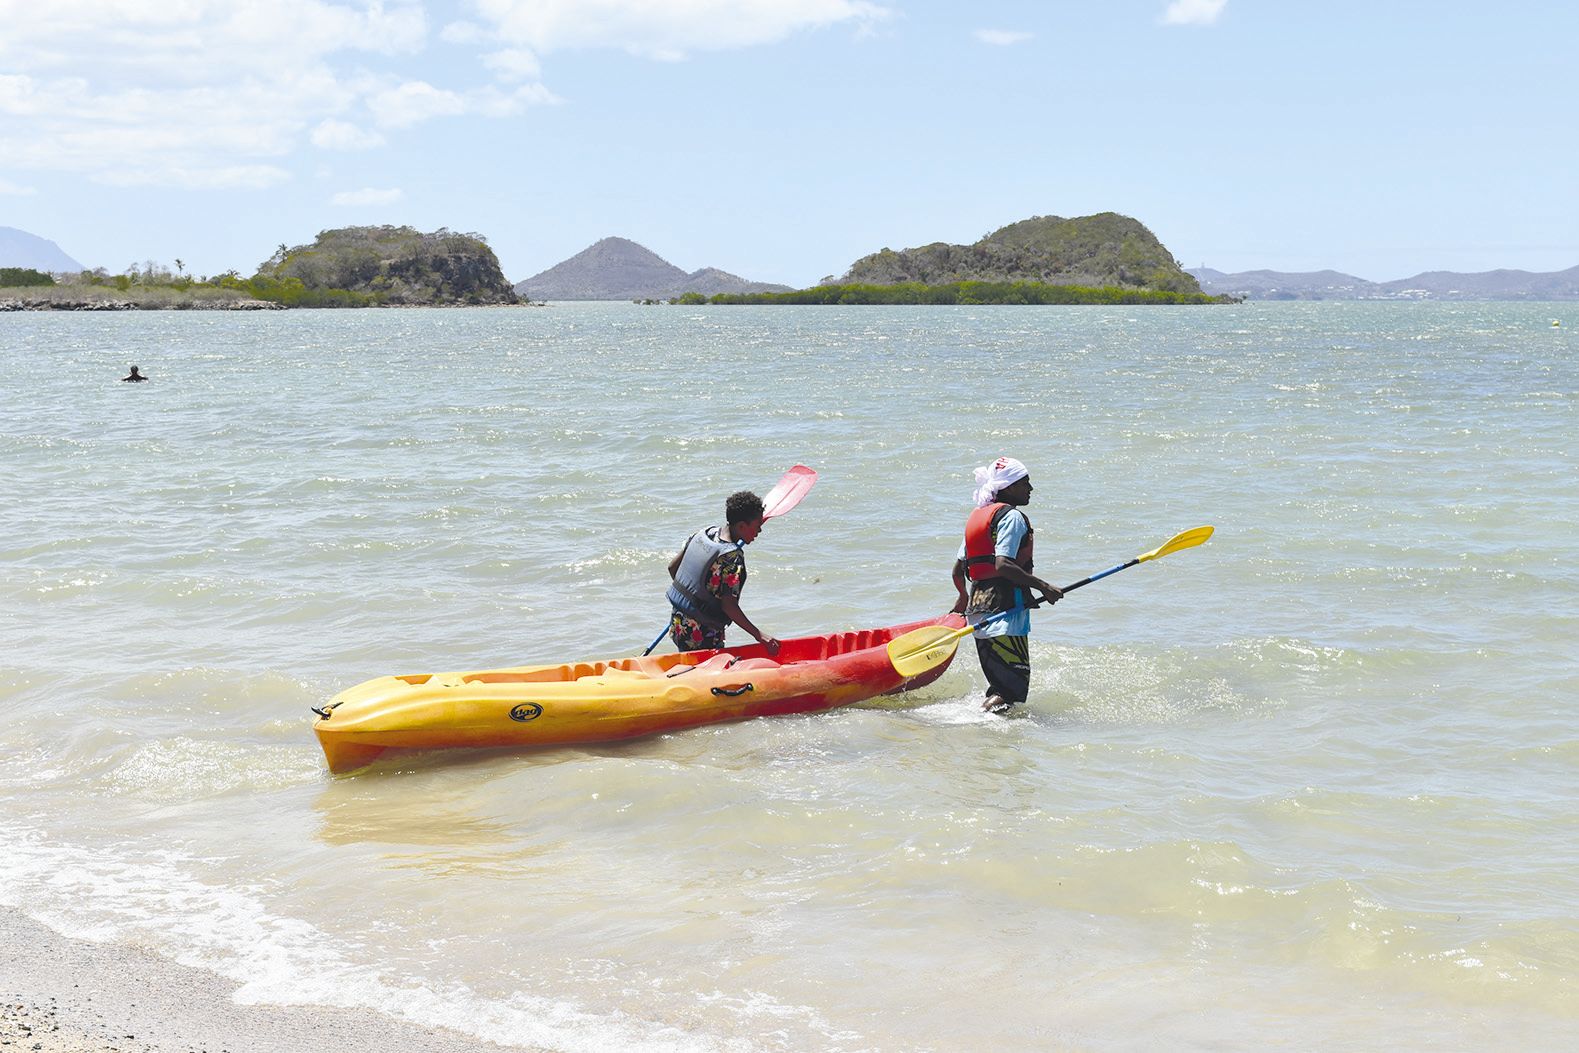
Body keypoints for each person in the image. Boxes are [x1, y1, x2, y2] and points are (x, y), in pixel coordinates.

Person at [950, 456, 1063, 713]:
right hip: (1005, 613)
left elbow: (958, 570)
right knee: (1011, 691)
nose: (1031, 489)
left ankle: (989, 741)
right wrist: (1043, 586)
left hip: (979, 616)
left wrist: (962, 598)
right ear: (1010, 487)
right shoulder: (1011, 517)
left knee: (1000, 687)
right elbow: (1003, 564)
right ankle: (979, 726)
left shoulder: (980, 516)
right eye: (1025, 482)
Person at [665, 490, 781, 654]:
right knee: (706, 675)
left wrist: (691, 603)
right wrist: (759, 635)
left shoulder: (705, 533)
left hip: (678, 622)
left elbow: (672, 568)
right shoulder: (732, 558)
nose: (759, 532)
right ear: (741, 526)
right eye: (757, 526)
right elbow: (729, 606)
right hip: (701, 634)